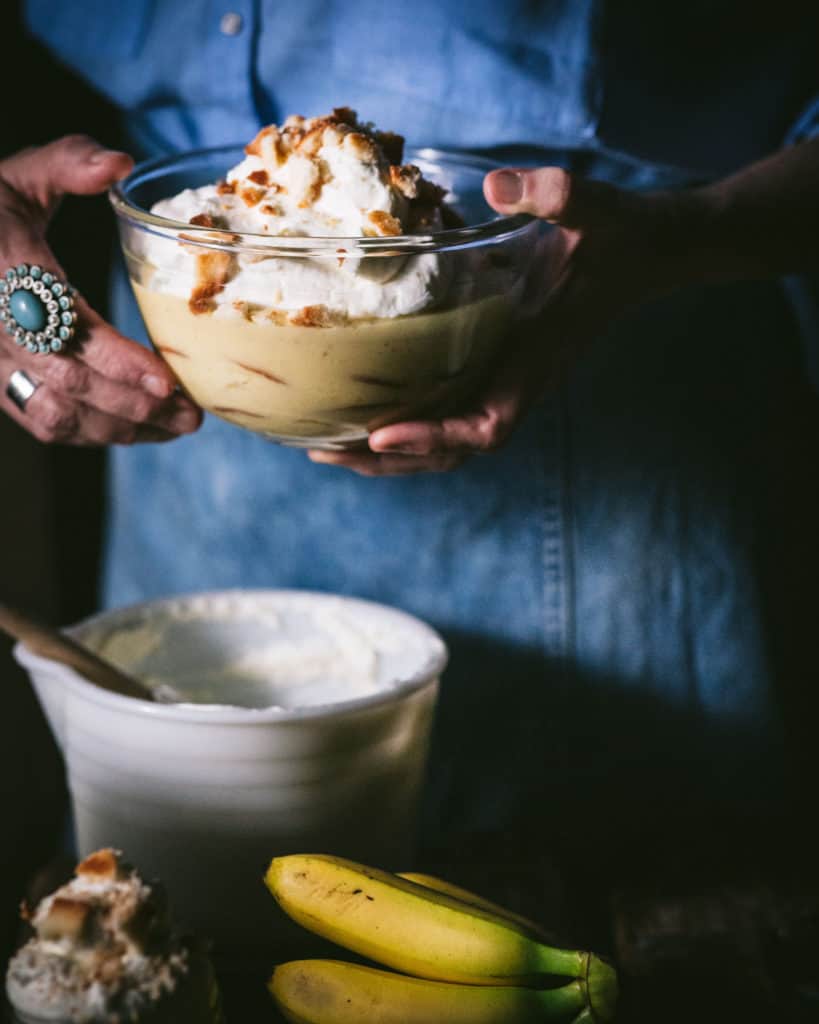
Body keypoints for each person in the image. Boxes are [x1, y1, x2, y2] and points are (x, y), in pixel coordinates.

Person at [4, 1, 819, 875]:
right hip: (197, 443)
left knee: (600, 937)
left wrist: (694, 234)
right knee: (188, 930)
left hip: (617, 468)